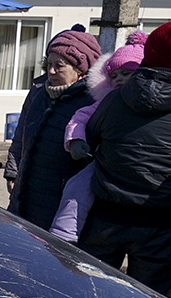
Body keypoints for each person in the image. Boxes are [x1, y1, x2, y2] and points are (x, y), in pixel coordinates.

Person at [78, 21, 171, 295]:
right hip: (160, 223)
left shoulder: (114, 99)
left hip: (106, 215)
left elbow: (91, 137)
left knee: (93, 293)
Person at [49, 31, 147, 242]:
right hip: (106, 160)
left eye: (127, 73)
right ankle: (63, 234)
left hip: (144, 173)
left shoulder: (153, 103)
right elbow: (80, 117)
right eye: (115, 75)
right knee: (77, 187)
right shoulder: (107, 101)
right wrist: (76, 140)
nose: (119, 79)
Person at [3, 26, 100, 230]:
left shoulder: (92, 103)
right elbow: (20, 135)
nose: (51, 71)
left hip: (61, 202)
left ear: (80, 69)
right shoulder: (39, 93)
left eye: (60, 65)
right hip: (25, 194)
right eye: (49, 64)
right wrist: (13, 171)